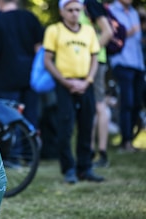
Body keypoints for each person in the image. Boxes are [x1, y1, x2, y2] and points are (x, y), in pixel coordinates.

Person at [44, 0, 104, 183]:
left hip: (85, 85)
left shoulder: (89, 30)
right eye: (70, 10)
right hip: (65, 85)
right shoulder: (54, 30)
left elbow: (95, 58)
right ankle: (69, 169)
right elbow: (47, 60)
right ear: (62, 11)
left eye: (78, 9)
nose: (74, 13)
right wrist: (64, 81)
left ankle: (85, 168)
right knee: (65, 128)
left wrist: (88, 81)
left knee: (87, 127)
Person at [0, 0, 44, 129]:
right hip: (30, 75)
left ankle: (15, 148)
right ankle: (32, 146)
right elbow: (39, 47)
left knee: (9, 119)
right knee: (31, 116)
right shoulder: (29, 17)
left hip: (5, 79)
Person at [80, 0, 114, 167]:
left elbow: (108, 32)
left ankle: (101, 154)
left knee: (99, 105)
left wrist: (90, 53)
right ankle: (91, 151)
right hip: (93, 61)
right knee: (94, 106)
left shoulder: (91, 3)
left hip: (95, 62)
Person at [108, 0, 145, 152]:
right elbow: (113, 35)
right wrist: (133, 30)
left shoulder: (135, 13)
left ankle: (130, 138)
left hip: (138, 63)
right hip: (122, 62)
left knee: (137, 102)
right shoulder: (111, 11)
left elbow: (138, 39)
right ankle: (126, 141)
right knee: (127, 103)